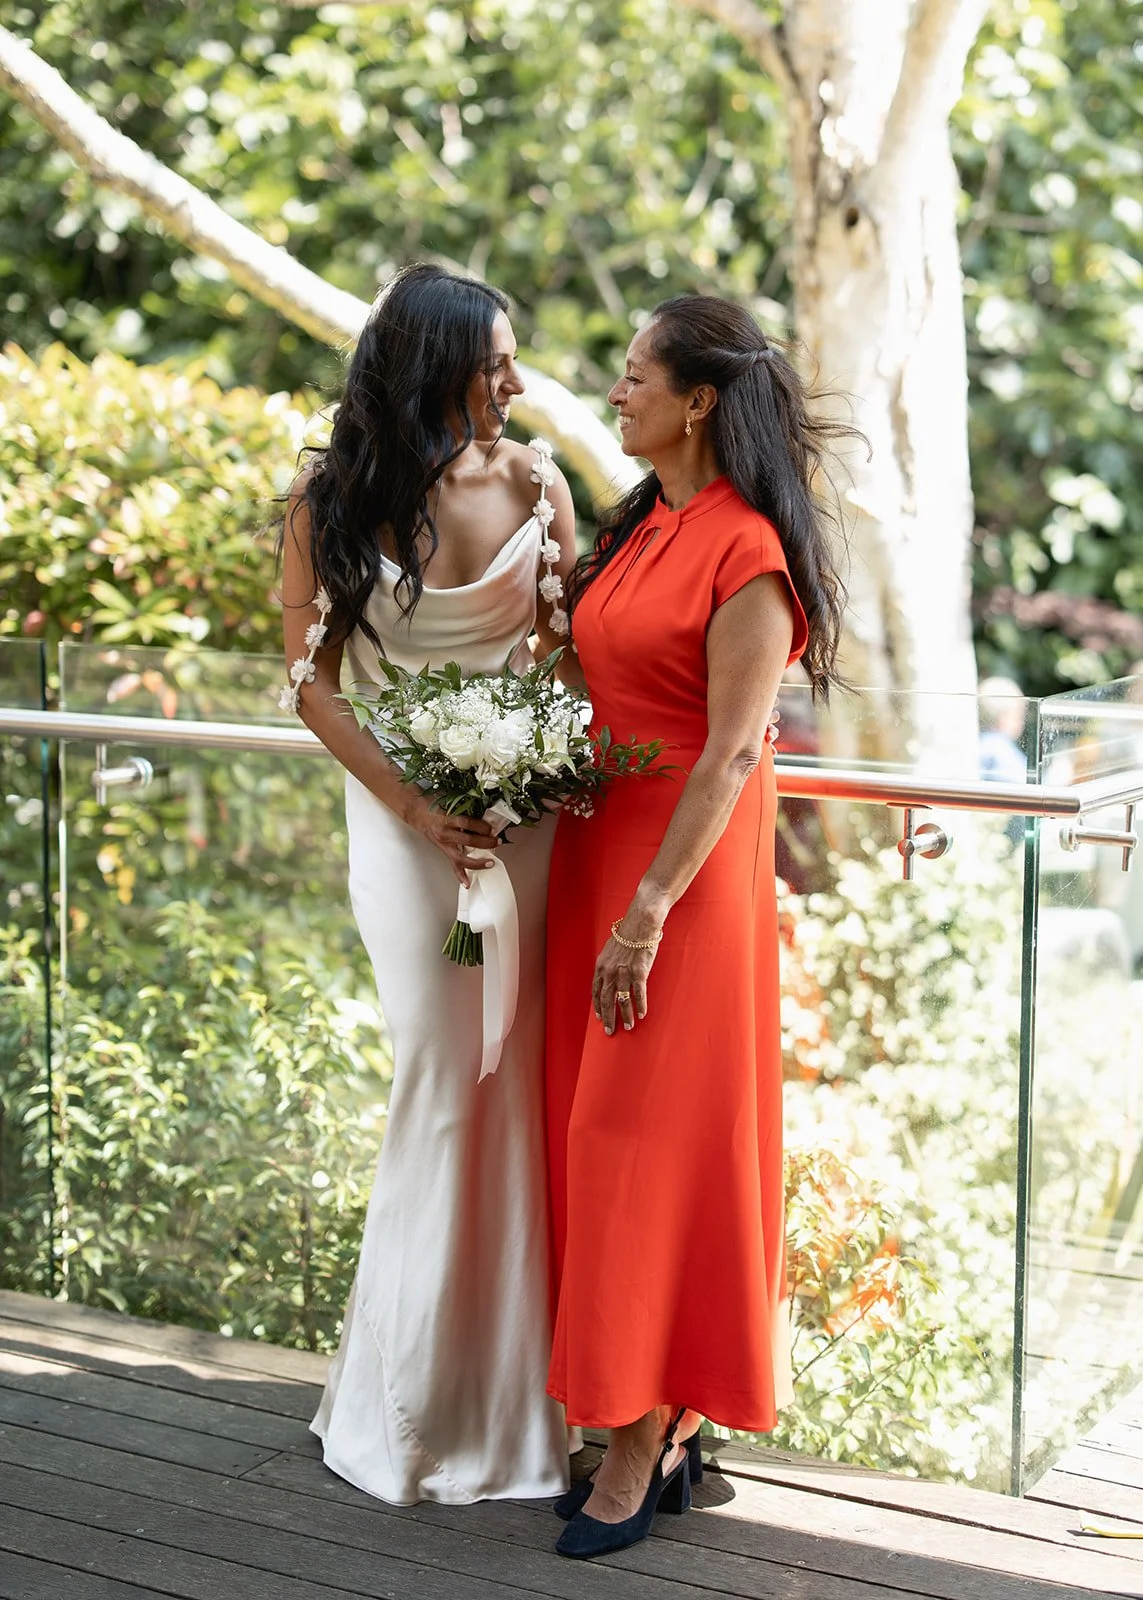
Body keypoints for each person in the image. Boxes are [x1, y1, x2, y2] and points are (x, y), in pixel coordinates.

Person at [544, 294, 851, 1559]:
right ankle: (639, 1412)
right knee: (589, 1135)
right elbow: (589, 669)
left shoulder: (749, 552)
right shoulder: (643, 526)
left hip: (679, 883)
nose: (616, 396)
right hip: (596, 853)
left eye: (632, 378)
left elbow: (729, 758)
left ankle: (642, 1431)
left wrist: (647, 916)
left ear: (697, 400)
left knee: (646, 1148)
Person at [277, 263, 579, 1504]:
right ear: (433, 364)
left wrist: (528, 777)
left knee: (515, 1085)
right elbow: (311, 682)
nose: (516, 380)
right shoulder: (330, 498)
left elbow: (572, 653)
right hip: (404, 834)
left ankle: (521, 1404)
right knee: (441, 1081)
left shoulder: (540, 481)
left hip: (526, 823)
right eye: (495, 358)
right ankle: (409, 1413)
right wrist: (416, 800)